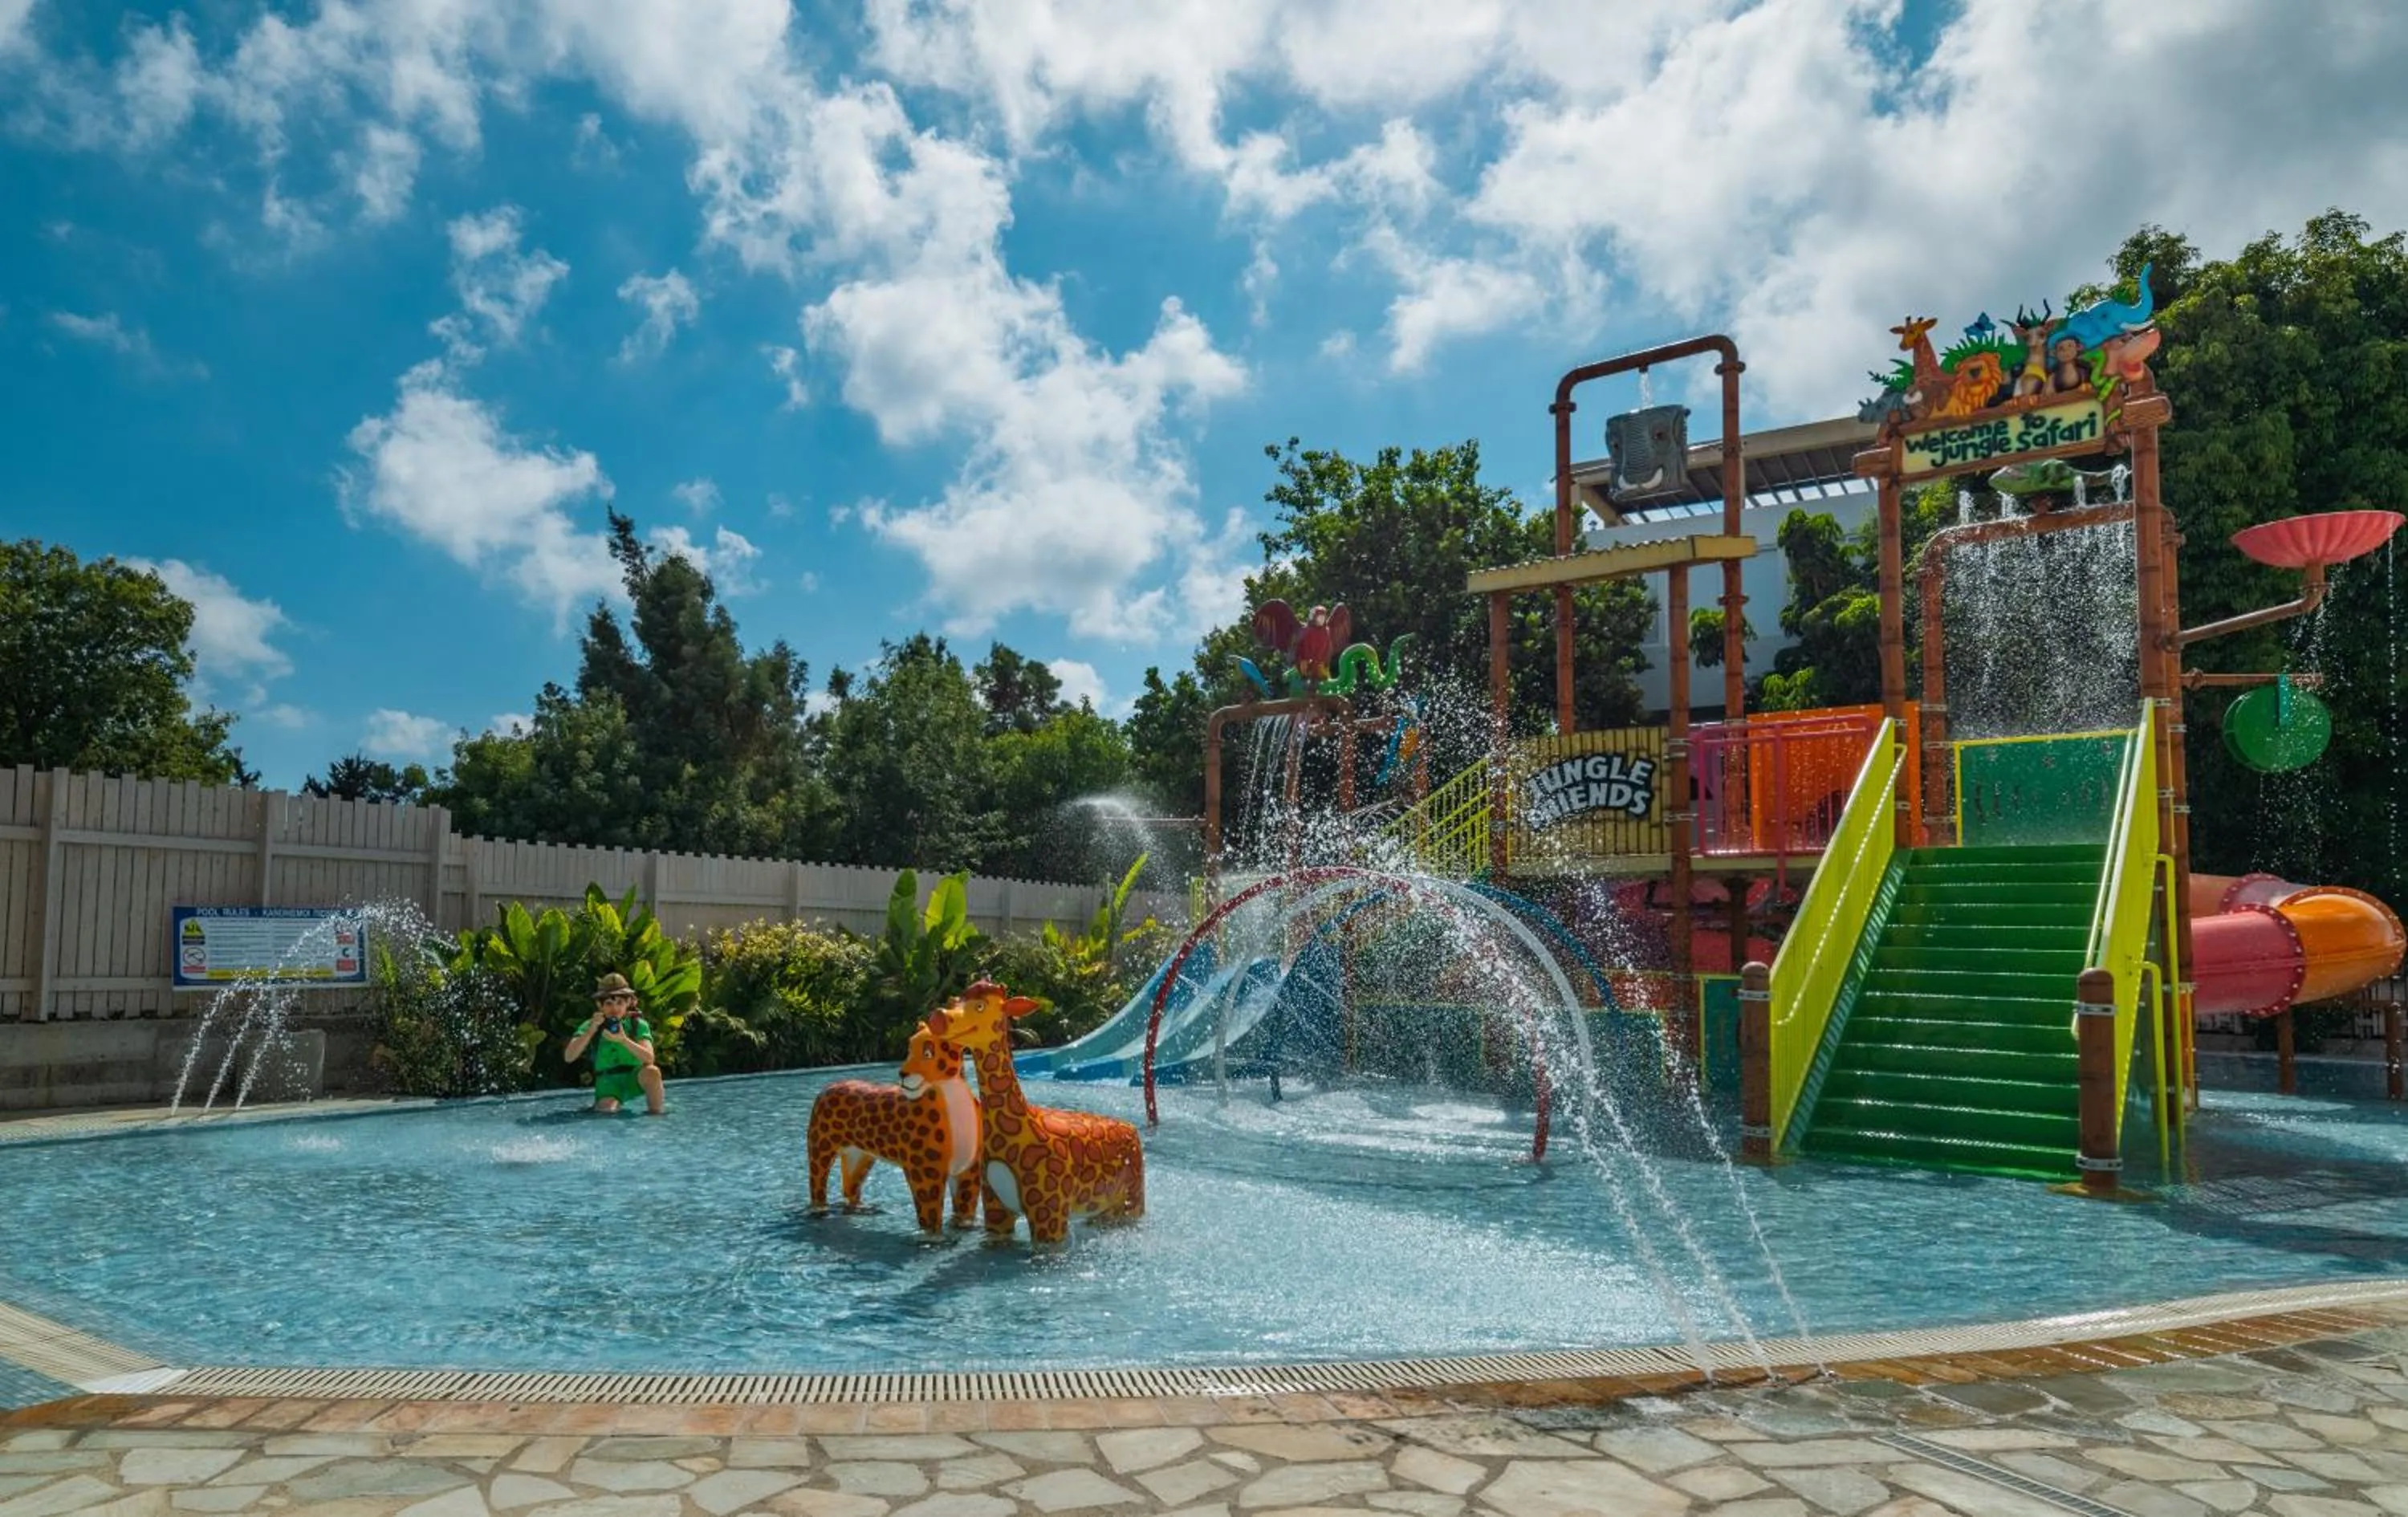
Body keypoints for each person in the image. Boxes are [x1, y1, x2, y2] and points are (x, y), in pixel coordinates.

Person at [563, 973, 665, 1115]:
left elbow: (649, 1059)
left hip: (634, 1077)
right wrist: (591, 1031)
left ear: (628, 1002)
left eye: (620, 1003)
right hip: (607, 1082)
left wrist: (624, 1040)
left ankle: (656, 1115)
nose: (614, 1009)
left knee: (652, 1071)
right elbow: (569, 1057)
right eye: (609, 1003)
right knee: (608, 1112)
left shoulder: (637, 1025)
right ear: (600, 1005)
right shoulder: (591, 1025)